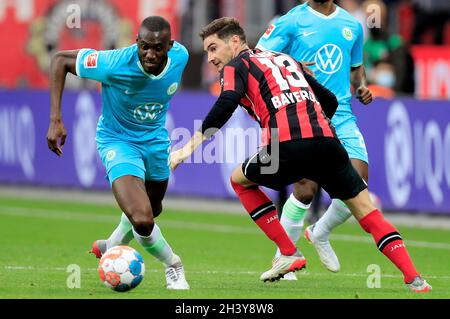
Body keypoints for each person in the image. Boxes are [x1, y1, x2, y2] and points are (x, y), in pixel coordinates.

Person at [170, 17, 431, 292]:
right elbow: (328, 100)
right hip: (327, 143)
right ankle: (415, 279)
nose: (210, 57)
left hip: (286, 146)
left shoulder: (237, 66)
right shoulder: (286, 59)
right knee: (366, 210)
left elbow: (226, 103)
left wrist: (186, 149)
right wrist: (315, 133)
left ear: (235, 41)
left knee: (239, 180)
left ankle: (288, 251)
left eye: (213, 48)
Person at [46, 16, 190, 290]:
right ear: (136, 42)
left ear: (170, 46)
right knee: (143, 219)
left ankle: (112, 244)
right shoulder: (113, 63)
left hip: (156, 143)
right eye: (144, 46)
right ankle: (174, 265)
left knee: (153, 208)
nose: (150, 53)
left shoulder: (181, 56)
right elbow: (60, 60)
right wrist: (55, 119)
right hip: (117, 141)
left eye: (158, 48)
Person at [256, 0, 373, 278]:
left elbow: (355, 68)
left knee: (359, 184)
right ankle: (283, 259)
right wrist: (293, 66)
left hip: (342, 113)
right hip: (305, 110)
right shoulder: (290, 21)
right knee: (306, 188)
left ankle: (319, 232)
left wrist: (363, 85)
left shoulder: (352, 25)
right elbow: (258, 58)